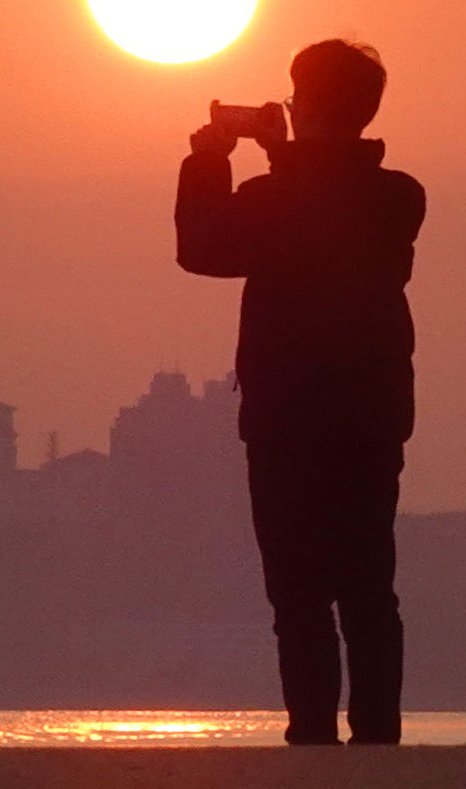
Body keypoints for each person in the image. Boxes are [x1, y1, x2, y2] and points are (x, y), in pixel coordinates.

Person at [175, 39, 426, 744]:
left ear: (308, 105)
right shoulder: (398, 196)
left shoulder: (305, 196)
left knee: (302, 592)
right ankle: (375, 733)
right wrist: (279, 155)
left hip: (290, 419)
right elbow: (306, 216)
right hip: (368, 417)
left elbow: (202, 247)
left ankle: (312, 733)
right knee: (366, 587)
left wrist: (210, 159)